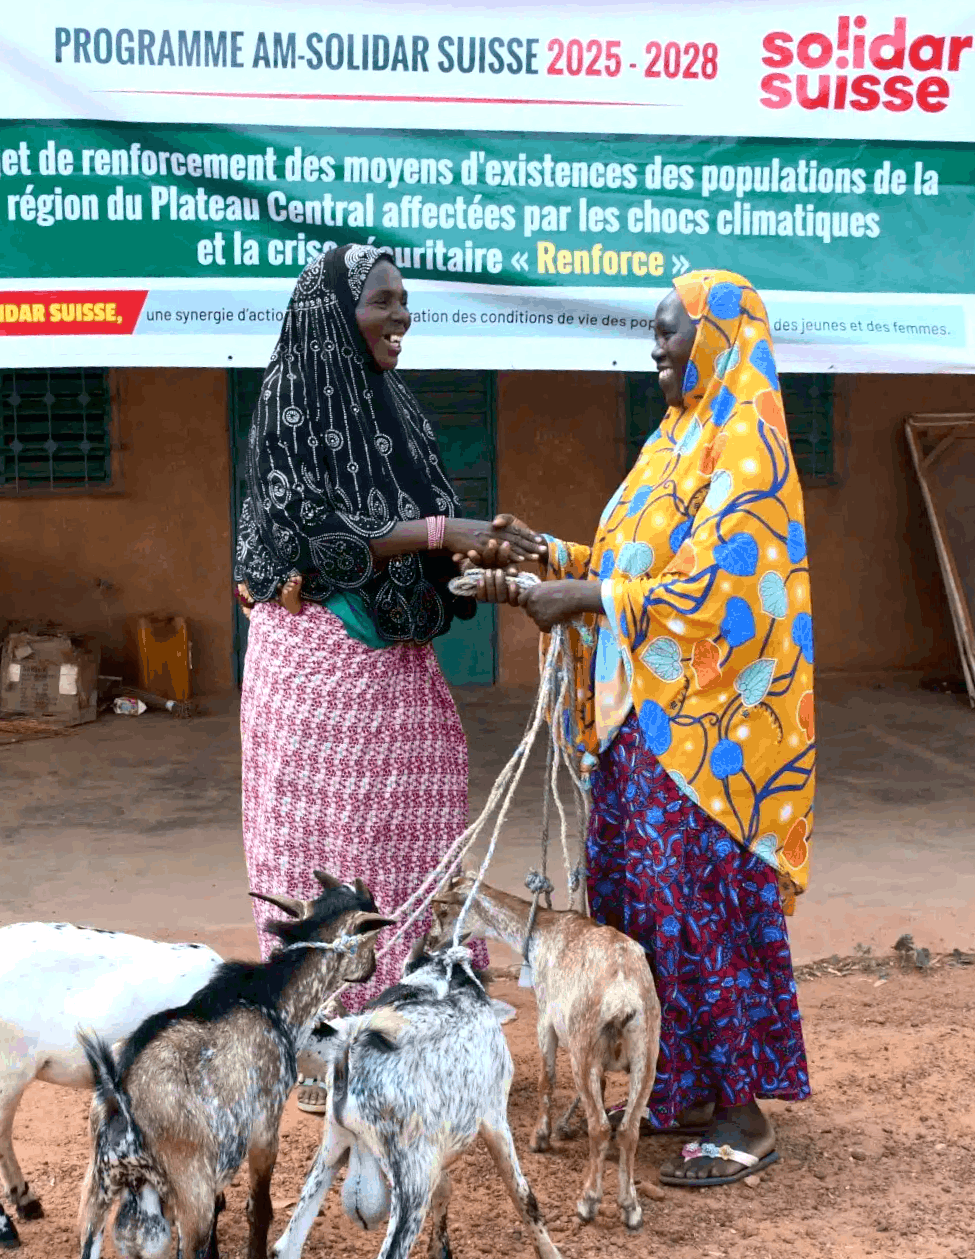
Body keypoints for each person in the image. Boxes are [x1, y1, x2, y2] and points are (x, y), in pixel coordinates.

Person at [462, 270, 813, 1185]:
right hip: (643, 735)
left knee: (699, 917)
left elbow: (721, 591)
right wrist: (550, 557)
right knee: (647, 916)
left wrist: (582, 594)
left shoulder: (747, 448)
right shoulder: (674, 441)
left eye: (669, 332)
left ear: (717, 335)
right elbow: (635, 564)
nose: (655, 347)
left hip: (710, 742)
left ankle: (741, 1115)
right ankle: (686, 1086)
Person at [232, 244, 544, 1110]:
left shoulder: (398, 405)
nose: (401, 316)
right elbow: (312, 544)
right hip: (317, 668)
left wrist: (484, 556)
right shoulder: (289, 403)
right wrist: (447, 531)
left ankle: (410, 1018)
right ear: (337, 311)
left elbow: (425, 522)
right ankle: (322, 1033)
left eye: (406, 301)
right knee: (329, 851)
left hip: (396, 670)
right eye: (383, 302)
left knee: (417, 832)